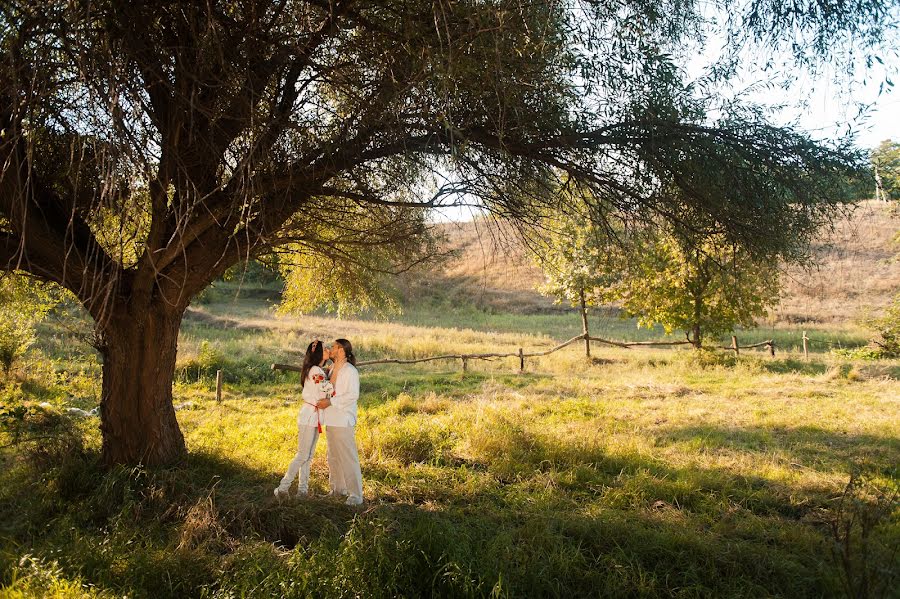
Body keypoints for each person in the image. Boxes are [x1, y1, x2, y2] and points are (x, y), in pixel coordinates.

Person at [274, 340, 332, 499]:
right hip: (309, 417)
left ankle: (303, 490)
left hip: (314, 416)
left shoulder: (317, 370)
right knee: (302, 455)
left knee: (308, 456)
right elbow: (326, 389)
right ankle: (282, 488)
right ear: (320, 353)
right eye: (325, 348)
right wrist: (334, 380)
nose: (328, 349)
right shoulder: (316, 371)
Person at [317, 338, 363, 506]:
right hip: (331, 419)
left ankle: (356, 496)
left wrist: (330, 402)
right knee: (333, 457)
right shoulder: (330, 370)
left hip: (343, 420)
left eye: (335, 347)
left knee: (348, 458)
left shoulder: (350, 371)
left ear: (342, 350)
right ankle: (338, 490)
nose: (331, 349)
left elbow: (352, 395)